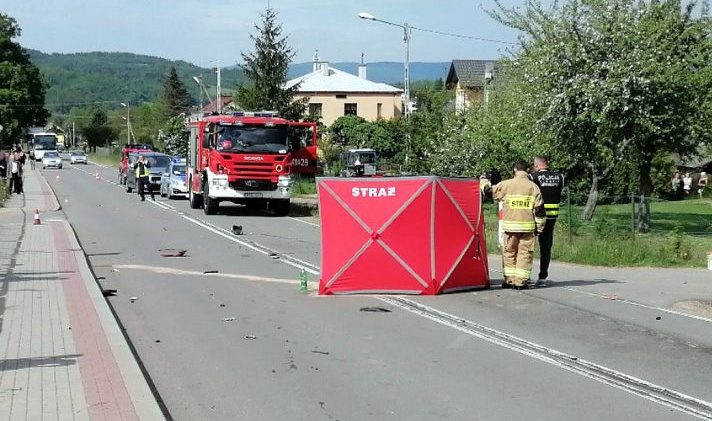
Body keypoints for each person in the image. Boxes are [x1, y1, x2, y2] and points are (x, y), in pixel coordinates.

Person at [492, 161, 546, 290]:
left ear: (515, 169)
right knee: (524, 254)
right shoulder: (533, 187)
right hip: (527, 229)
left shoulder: (506, 184)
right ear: (527, 170)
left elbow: (490, 192)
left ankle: (509, 280)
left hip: (510, 228)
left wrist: (483, 181)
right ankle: (520, 282)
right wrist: (539, 228)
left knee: (509, 253)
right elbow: (540, 211)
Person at [530, 156, 564, 287]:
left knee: (528, 246)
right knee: (546, 247)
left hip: (537, 216)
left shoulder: (533, 177)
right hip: (552, 217)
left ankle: (525, 276)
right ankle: (543, 276)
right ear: (546, 164)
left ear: (537, 165)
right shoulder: (559, 177)